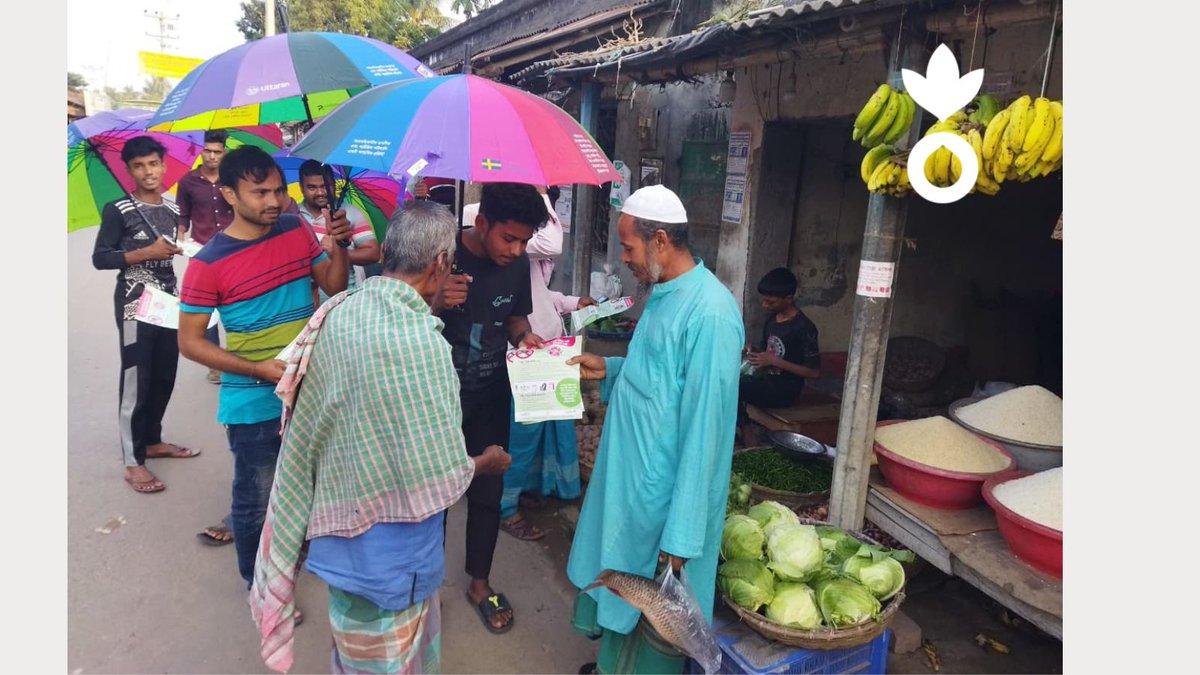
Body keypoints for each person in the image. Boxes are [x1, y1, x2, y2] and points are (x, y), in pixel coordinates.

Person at [249, 201, 513, 674]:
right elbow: (442, 472)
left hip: (339, 539)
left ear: (387, 250)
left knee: (353, 654)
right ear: (440, 265)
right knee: (392, 661)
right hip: (395, 561)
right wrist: (484, 463)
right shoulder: (422, 344)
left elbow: (313, 422)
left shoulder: (340, 312)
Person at [564, 185, 744, 675]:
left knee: (657, 616)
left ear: (660, 240)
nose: (624, 259)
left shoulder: (710, 314)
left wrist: (683, 532)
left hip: (664, 501)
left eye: (628, 247)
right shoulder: (663, 294)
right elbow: (659, 382)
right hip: (630, 485)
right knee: (623, 594)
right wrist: (612, 367)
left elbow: (705, 429)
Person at [177, 146, 352, 596]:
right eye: (260, 193)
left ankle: (296, 560)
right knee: (256, 501)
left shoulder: (295, 229)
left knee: (308, 487)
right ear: (230, 194)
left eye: (277, 190)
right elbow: (190, 342)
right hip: (253, 402)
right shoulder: (206, 264)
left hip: (310, 390)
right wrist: (257, 367)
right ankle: (260, 588)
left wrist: (342, 246)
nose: (274, 201)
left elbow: (332, 286)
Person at [431, 182, 546, 634]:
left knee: (487, 492)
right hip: (438, 396)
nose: (516, 250)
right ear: (480, 223)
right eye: (508, 238)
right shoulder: (439, 254)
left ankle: (479, 583)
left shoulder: (517, 267)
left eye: (524, 241)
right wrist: (436, 298)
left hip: (493, 393)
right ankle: (425, 587)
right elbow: (396, 310)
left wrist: (524, 337)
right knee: (434, 492)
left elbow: (517, 316)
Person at [91, 135, 197, 494]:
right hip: (135, 303)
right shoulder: (117, 209)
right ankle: (133, 461)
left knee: (165, 373)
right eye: (139, 166)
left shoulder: (170, 211)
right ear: (129, 170)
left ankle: (152, 440)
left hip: (167, 302)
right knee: (137, 378)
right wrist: (144, 252)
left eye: (153, 163)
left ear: (164, 166)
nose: (148, 171)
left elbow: (174, 250)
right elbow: (101, 258)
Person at [495, 186, 596, 541]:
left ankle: (528, 488)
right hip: (525, 357)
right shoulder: (521, 244)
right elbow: (553, 241)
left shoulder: (524, 251)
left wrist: (571, 302)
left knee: (545, 429)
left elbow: (541, 294)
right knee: (522, 434)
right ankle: (506, 506)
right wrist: (540, 194)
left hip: (549, 349)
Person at [737, 267, 821, 447]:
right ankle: (742, 428)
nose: (764, 306)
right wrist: (754, 351)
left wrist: (774, 362)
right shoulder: (773, 320)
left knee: (734, 386)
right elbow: (770, 352)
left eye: (770, 302)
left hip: (785, 391)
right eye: (764, 301)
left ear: (789, 299)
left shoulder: (803, 327)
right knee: (726, 378)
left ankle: (747, 433)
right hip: (765, 380)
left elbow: (813, 372)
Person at [177, 129, 235, 384]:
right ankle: (215, 364)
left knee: (237, 302)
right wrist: (180, 237)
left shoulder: (233, 179)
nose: (212, 156)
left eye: (217, 152)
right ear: (201, 151)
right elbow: (183, 215)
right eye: (208, 151)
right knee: (206, 309)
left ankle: (240, 354)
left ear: (225, 153)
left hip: (234, 249)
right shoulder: (188, 182)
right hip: (201, 253)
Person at [296, 160, 380, 302]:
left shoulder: (350, 213)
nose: (320, 192)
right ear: (301, 188)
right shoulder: (294, 216)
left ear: (333, 185)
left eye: (325, 186)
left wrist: (339, 252)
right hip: (306, 304)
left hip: (345, 302)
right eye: (312, 187)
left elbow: (373, 253)